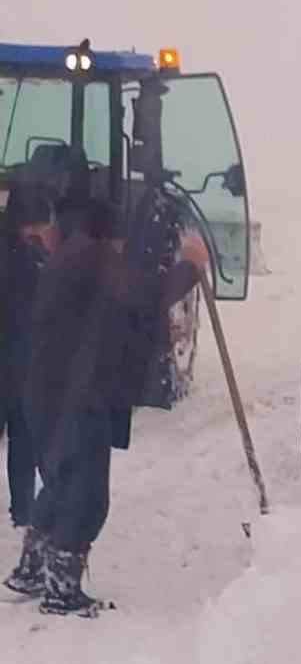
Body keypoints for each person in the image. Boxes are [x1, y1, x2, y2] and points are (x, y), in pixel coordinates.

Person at [4, 198, 209, 616]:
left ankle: (32, 569)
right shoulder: (92, 258)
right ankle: (62, 589)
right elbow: (146, 294)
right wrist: (191, 265)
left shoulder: (69, 259)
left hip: (49, 394)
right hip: (77, 398)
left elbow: (117, 315)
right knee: (87, 495)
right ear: (112, 236)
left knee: (61, 483)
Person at [0, 187, 58, 529]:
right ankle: (22, 510)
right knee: (24, 440)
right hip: (18, 365)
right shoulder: (29, 261)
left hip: (14, 361)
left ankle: (23, 508)